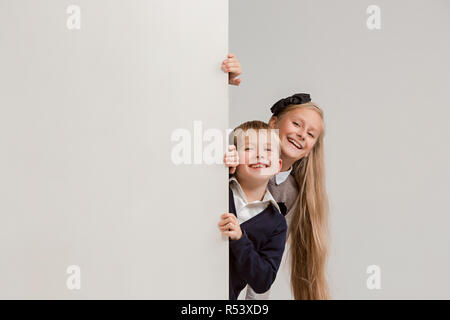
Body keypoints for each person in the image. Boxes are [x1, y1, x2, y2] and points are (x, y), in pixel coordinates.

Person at [222, 56, 329, 300]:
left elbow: (264, 263)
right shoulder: (239, 151)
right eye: (296, 124)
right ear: (274, 123)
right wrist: (220, 83)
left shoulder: (289, 197)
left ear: (312, 147)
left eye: (311, 134)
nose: (302, 134)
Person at [218, 120, 287, 300]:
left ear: (278, 166)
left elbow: (263, 280)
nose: (259, 155)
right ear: (234, 156)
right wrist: (221, 169)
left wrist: (240, 239)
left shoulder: (276, 222)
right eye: (248, 149)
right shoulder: (217, 190)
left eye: (268, 150)